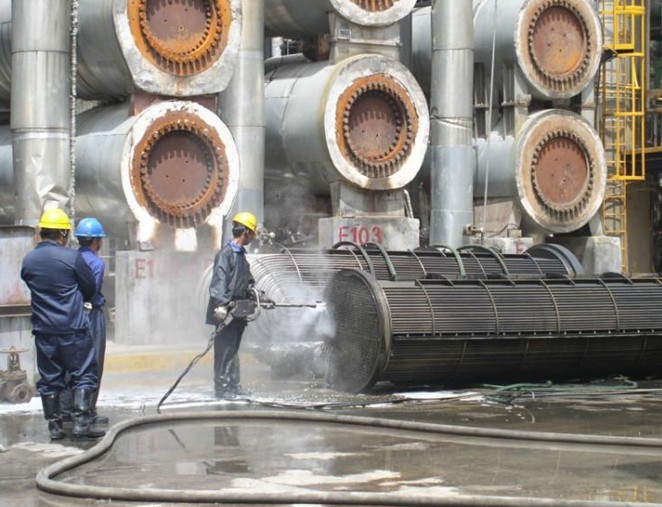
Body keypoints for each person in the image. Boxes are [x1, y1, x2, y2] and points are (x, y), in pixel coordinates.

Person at [20, 208, 105, 441]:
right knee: (83, 374)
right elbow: (89, 288)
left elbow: (27, 279)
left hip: (44, 331)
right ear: (63, 234)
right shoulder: (71, 258)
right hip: (73, 329)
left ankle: (55, 427)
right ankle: (81, 424)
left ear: (41, 233)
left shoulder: (29, 260)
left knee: (50, 379)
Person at [206, 211, 257, 399]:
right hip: (226, 311)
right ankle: (222, 388)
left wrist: (256, 294)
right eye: (253, 233)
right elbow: (219, 281)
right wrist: (222, 306)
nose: (253, 237)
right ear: (246, 233)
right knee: (224, 349)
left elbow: (247, 280)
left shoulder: (241, 255)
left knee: (234, 350)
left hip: (238, 310)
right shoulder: (226, 254)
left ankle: (233, 385)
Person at [74, 217, 109, 425]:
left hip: (73, 313)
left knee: (76, 361)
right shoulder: (97, 262)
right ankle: (88, 409)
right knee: (94, 361)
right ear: (96, 241)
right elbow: (92, 290)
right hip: (92, 314)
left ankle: (72, 409)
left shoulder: (71, 258)